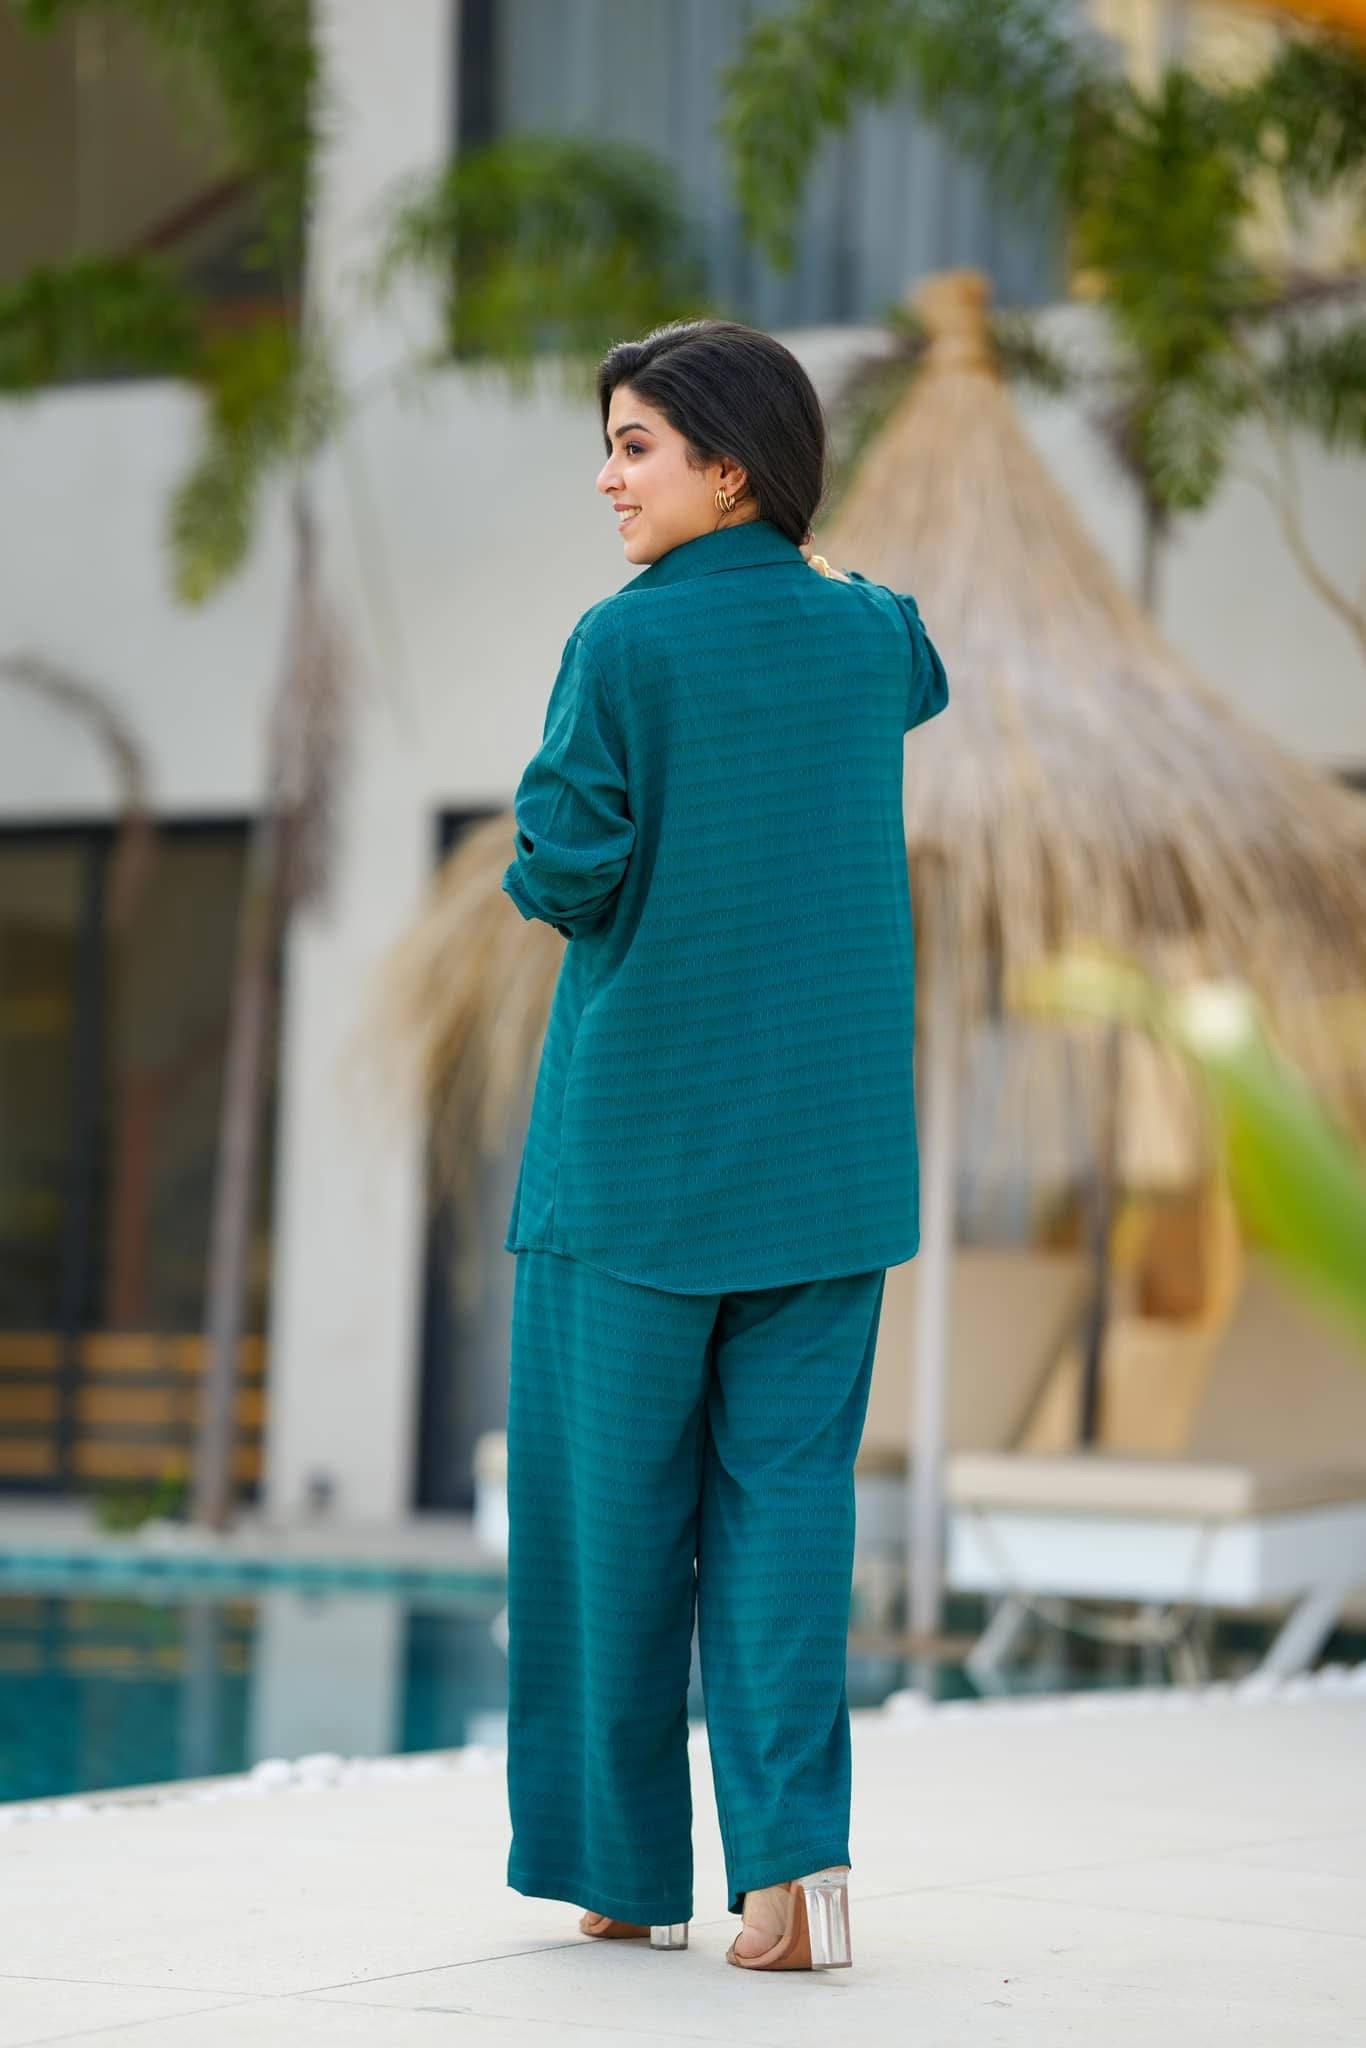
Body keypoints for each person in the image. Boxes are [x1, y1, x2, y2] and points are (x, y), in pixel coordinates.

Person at [499, 317, 949, 1972]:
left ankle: (624, 1874)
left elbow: (565, 866)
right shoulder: (871, 631)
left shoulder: (620, 643)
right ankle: (794, 1882)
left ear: (729, 468)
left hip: (634, 1165)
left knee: (607, 1534)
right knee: (788, 1518)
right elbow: (909, 658)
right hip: (828, 1172)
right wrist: (803, 559)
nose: (606, 478)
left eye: (635, 445)